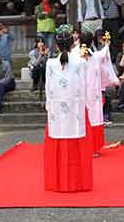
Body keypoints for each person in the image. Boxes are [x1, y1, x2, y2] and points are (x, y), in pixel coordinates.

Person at [44, 28, 92, 192]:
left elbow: (48, 88)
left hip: (57, 109)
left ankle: (57, 182)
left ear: (56, 45)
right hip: (76, 109)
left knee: (58, 141)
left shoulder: (50, 63)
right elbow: (84, 86)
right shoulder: (81, 62)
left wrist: (49, 105)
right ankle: (78, 182)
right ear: (73, 44)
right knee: (75, 144)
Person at [77, 23, 119, 156]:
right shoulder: (94, 57)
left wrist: (106, 45)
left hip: (80, 92)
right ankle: (93, 148)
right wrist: (107, 44)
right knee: (93, 117)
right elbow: (104, 55)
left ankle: (82, 147)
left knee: (84, 117)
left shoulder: (74, 56)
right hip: (93, 92)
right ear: (90, 43)